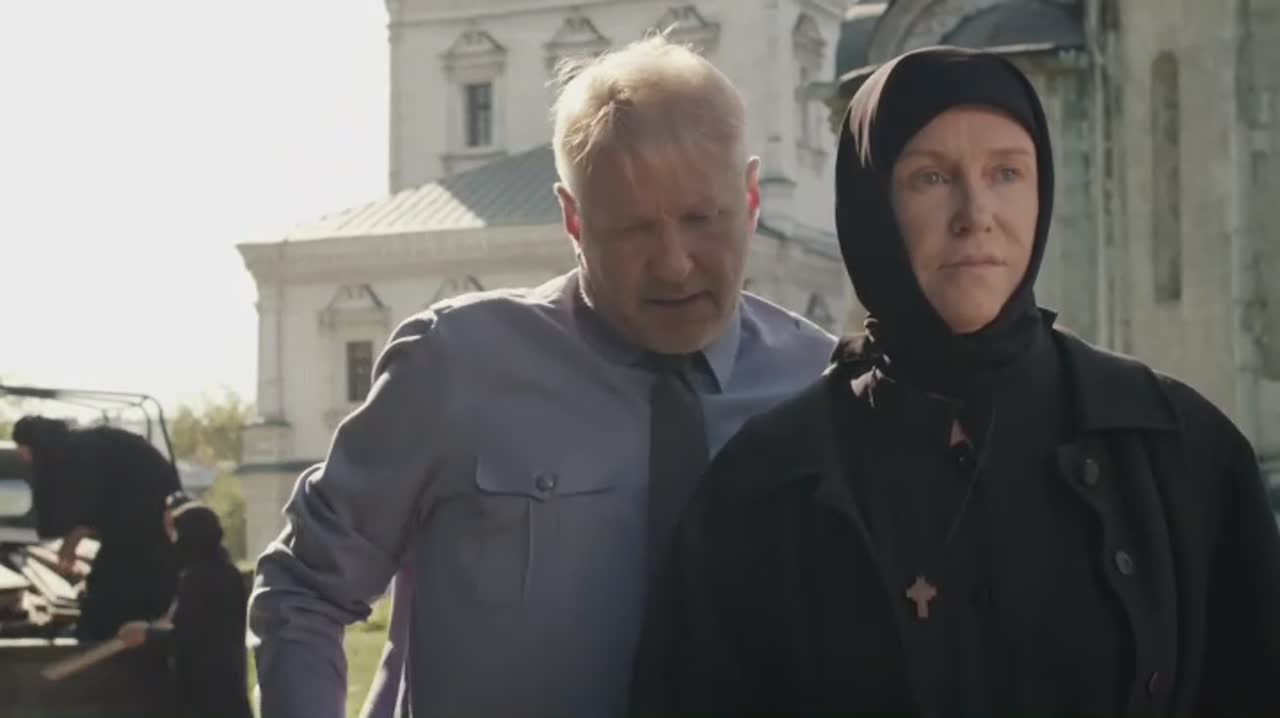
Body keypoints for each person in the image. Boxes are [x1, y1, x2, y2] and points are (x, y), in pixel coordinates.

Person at [630, 46, 1280, 717]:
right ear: (872, 205)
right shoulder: (768, 486)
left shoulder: (1176, 452)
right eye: (932, 178)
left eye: (1007, 172)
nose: (976, 213)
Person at [248, 34, 837, 718]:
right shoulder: (456, 366)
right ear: (573, 219)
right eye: (634, 230)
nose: (675, 264)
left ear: (752, 196)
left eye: (703, 219)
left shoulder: (825, 390)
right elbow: (304, 589)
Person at [12, 415, 179, 641]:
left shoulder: (79, 454)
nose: (26, 461)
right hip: (144, 527)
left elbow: (96, 504)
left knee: (110, 593)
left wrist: (72, 542)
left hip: (147, 527)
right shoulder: (79, 448)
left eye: (25, 453)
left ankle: (98, 642)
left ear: (35, 445)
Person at [118, 501, 253, 718]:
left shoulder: (198, 578)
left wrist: (146, 634)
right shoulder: (228, 573)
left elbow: (192, 641)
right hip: (230, 691)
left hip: (206, 697)